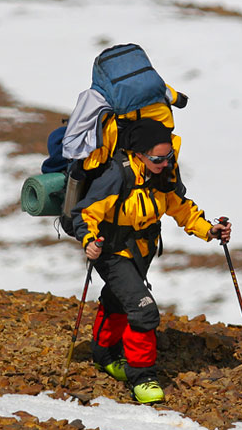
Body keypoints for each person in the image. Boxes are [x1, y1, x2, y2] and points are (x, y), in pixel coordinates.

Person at [72, 117, 230, 404]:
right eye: (158, 157)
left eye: (169, 156)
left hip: (141, 251)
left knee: (118, 299)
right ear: (137, 154)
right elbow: (85, 213)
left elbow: (181, 208)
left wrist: (209, 230)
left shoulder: (161, 176)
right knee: (143, 310)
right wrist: (89, 241)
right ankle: (142, 376)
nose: (166, 162)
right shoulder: (117, 176)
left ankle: (104, 354)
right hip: (110, 252)